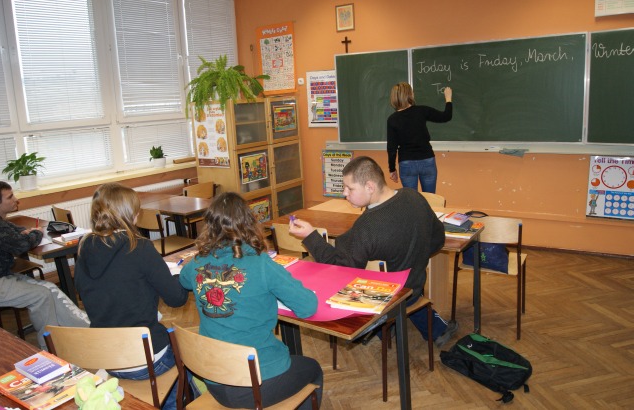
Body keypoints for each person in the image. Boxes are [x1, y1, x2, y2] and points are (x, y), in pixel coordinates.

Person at [289, 156, 458, 347]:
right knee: (398, 284)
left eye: (350, 188)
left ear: (370, 186)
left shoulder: (367, 227)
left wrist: (310, 236)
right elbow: (438, 240)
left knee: (329, 278)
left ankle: (375, 325)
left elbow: (340, 270)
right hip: (414, 287)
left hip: (382, 298)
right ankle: (401, 326)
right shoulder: (414, 196)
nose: (344, 193)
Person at [179, 192, 323, 409]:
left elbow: (184, 280)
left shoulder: (198, 262)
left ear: (209, 227)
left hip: (214, 378)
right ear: (249, 223)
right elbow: (308, 306)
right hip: (255, 384)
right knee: (312, 368)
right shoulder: (261, 263)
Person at [75, 183, 188, 410]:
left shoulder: (83, 246)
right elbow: (176, 299)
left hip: (106, 356)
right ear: (131, 215)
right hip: (146, 359)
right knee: (190, 356)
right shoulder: (140, 247)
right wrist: (180, 277)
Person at [0, 181, 89, 349]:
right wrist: (36, 233)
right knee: (41, 295)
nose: (15, 200)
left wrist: (26, 234)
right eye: (10, 197)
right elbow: (21, 245)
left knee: (50, 288)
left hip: (2, 275)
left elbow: (15, 230)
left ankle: (84, 330)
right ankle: (49, 348)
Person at [387, 82, 453, 193]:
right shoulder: (422, 111)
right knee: (430, 199)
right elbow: (446, 116)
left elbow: (391, 148)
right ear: (410, 95)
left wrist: (392, 169)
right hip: (427, 160)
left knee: (412, 200)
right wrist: (448, 98)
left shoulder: (392, 119)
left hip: (406, 163)